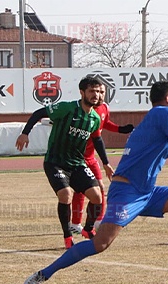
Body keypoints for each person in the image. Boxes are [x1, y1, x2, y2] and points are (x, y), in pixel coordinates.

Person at [21, 80, 168, 284]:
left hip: (145, 191)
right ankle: (42, 274)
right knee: (100, 244)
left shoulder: (152, 118)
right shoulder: (167, 114)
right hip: (127, 193)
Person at [16, 77, 106, 249]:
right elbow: (38, 113)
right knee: (65, 195)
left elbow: (97, 139)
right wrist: (25, 133)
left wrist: (106, 163)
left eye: (99, 91)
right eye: (92, 91)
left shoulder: (94, 118)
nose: (96, 95)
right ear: (82, 93)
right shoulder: (67, 108)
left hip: (77, 163)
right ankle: (67, 236)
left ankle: (87, 229)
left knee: (97, 196)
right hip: (55, 162)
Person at [69, 92, 134, 236]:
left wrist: (120, 129)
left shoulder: (104, 107)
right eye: (95, 91)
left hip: (91, 157)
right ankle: (75, 223)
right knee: (80, 191)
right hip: (78, 157)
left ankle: (98, 220)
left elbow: (105, 123)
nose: (99, 95)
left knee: (100, 188)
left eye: (102, 92)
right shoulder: (83, 110)